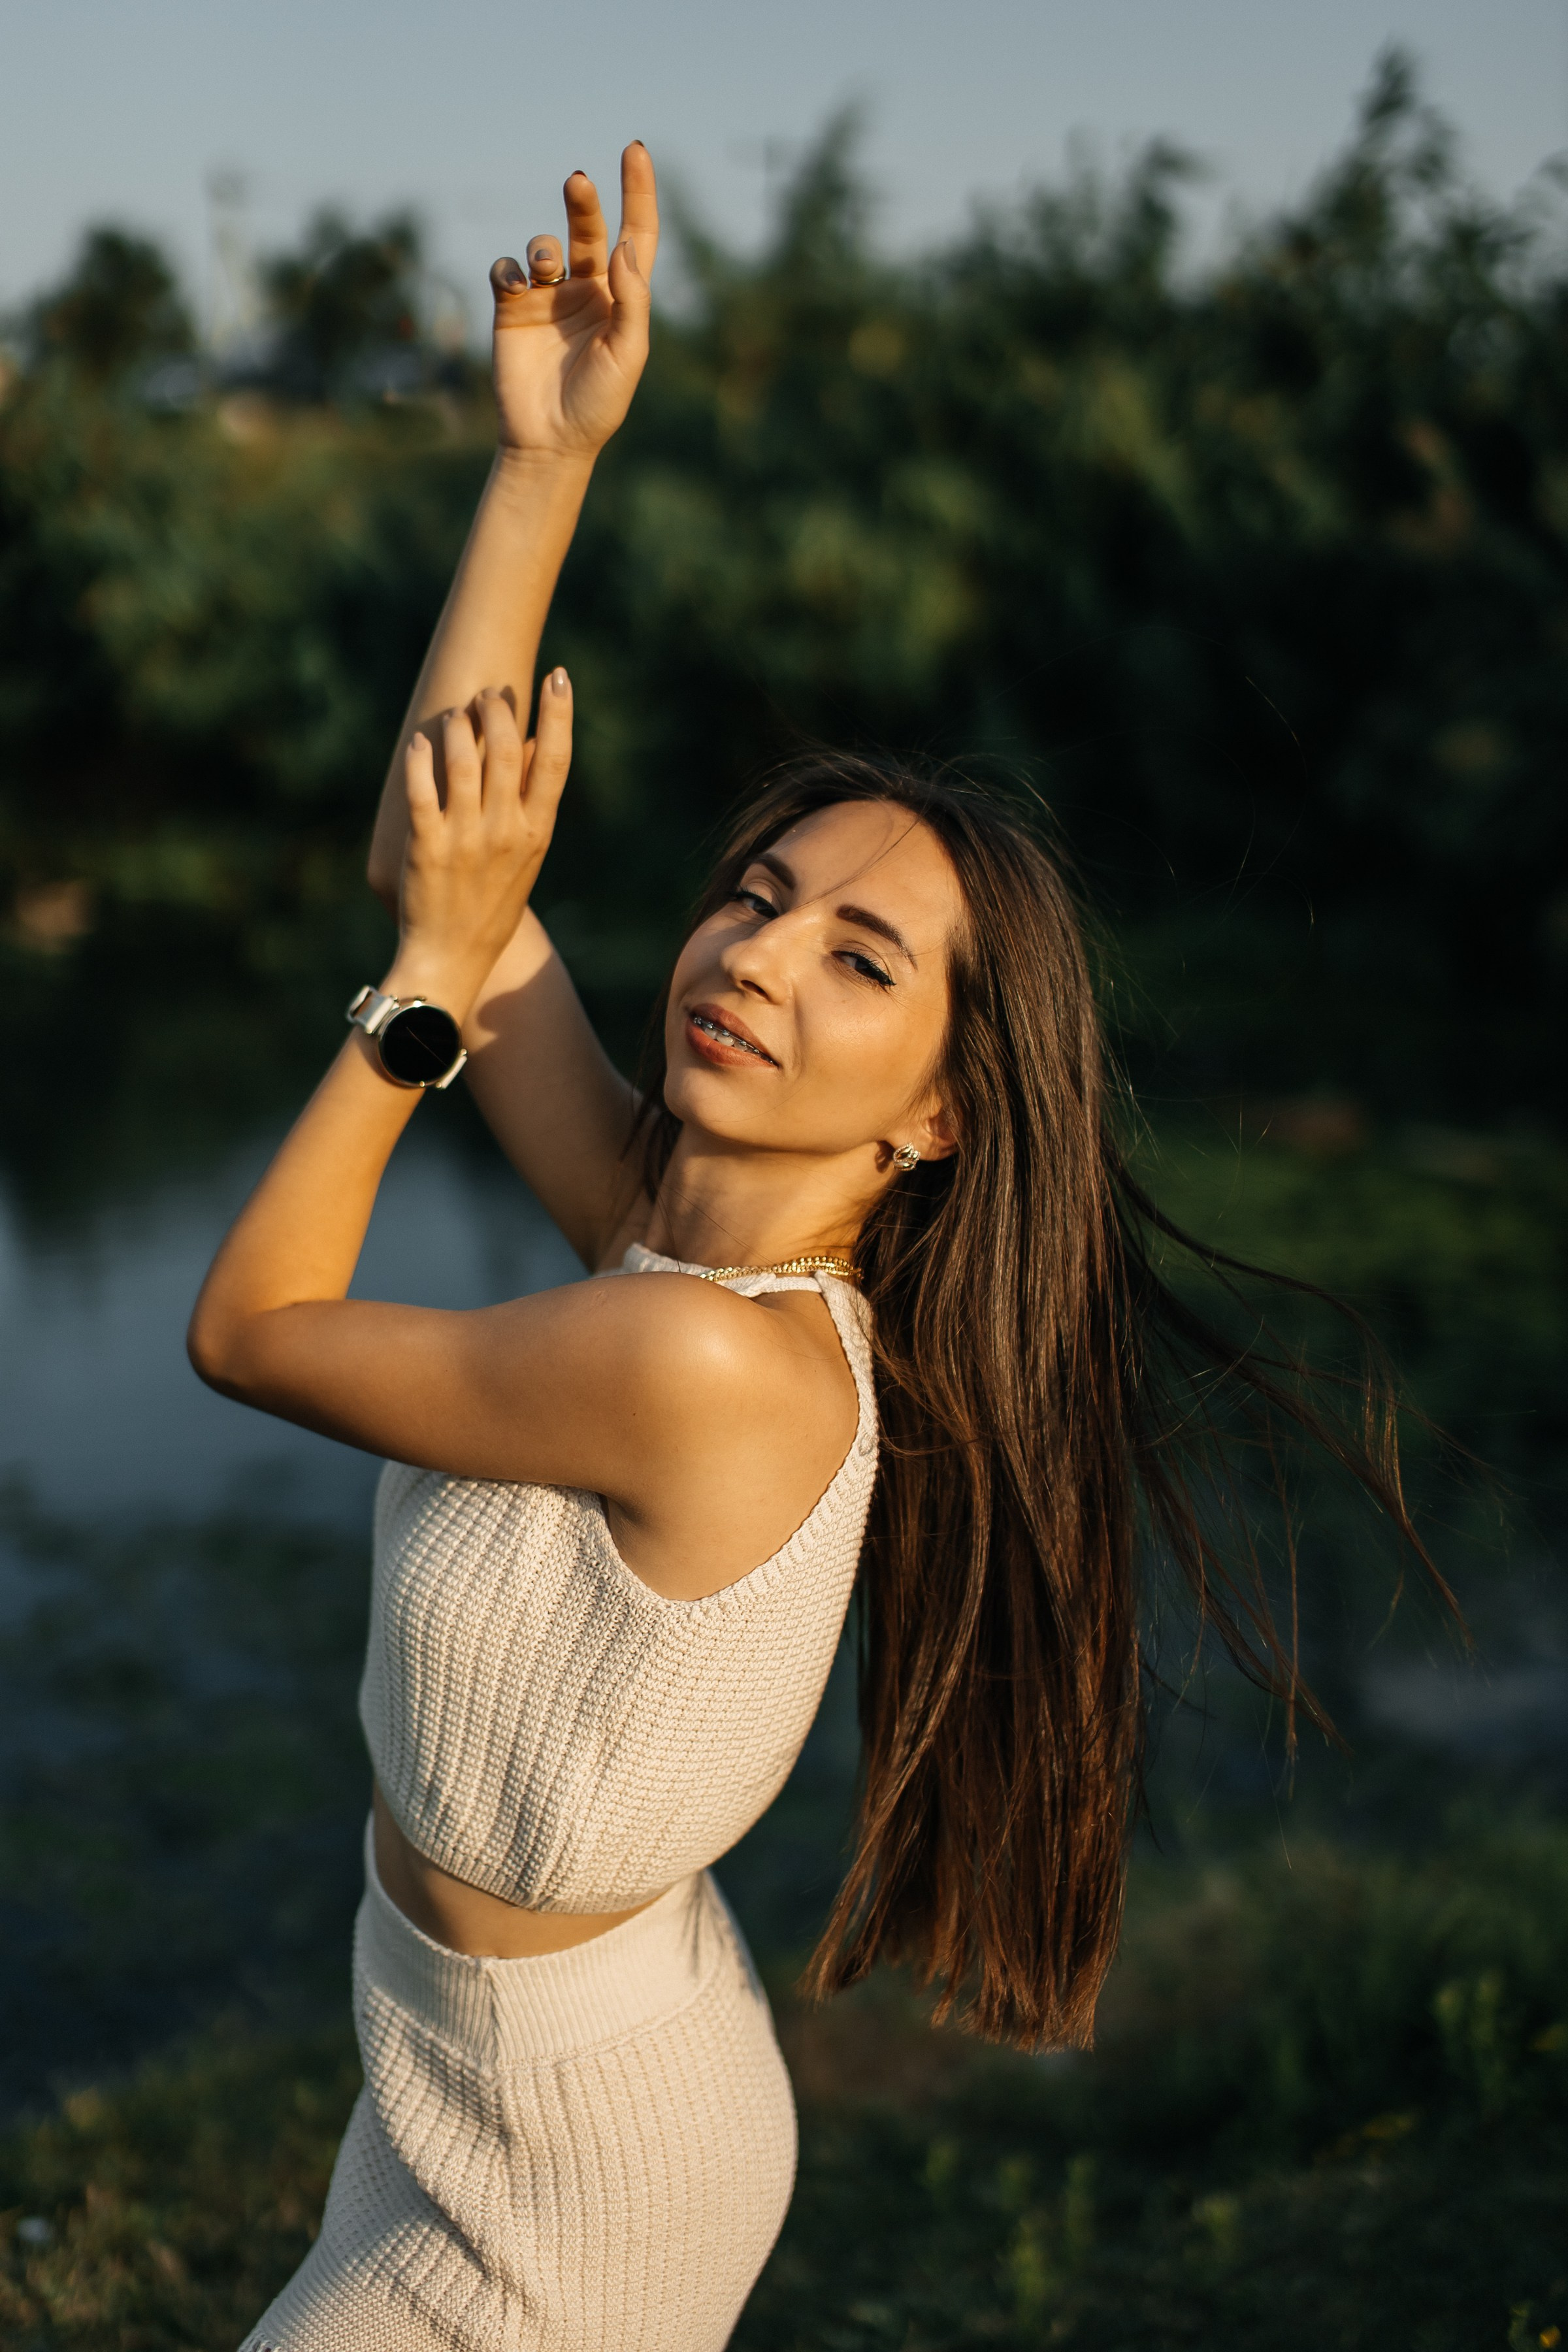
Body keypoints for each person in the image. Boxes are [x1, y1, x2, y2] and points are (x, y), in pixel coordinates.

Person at [189, 144, 1442, 2352]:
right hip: (457, 2064)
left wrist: (423, 998)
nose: (762, 957)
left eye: (864, 959)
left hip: (583, 2168)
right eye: (758, 895)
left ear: (945, 1105)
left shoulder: (709, 1366)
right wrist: (543, 470)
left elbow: (252, 1325)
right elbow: (436, 836)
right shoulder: (659, 1234)